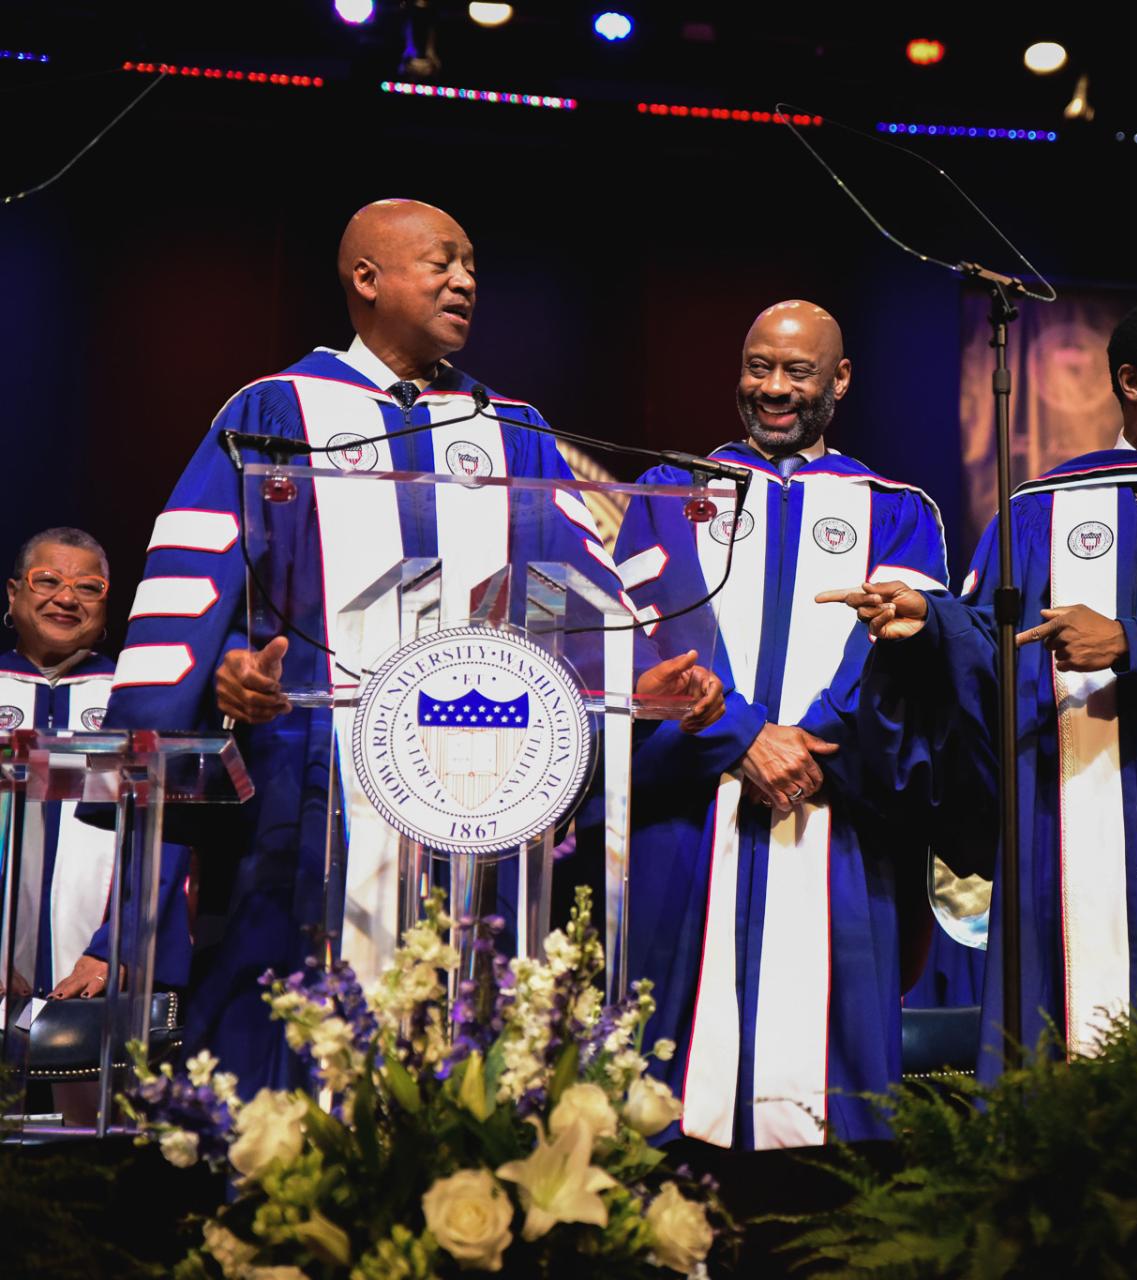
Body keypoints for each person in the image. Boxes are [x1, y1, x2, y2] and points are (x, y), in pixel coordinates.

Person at [103, 199, 717, 1096]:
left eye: (471, 265)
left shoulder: (510, 427)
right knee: (296, 1053)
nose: (465, 279)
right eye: (441, 262)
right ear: (366, 279)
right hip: (316, 795)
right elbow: (195, 592)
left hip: (486, 801)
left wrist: (629, 677)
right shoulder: (280, 408)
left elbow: (574, 595)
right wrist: (226, 675)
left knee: (469, 1058)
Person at [825, 296, 1137, 1078]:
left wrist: (1135, 643)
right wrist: (929, 625)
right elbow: (987, 666)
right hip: (1055, 839)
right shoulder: (1035, 512)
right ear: (1130, 381)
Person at [613, 300, 949, 1151]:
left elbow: (902, 658)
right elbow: (650, 631)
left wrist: (805, 744)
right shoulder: (673, 490)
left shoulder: (896, 509)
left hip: (834, 813)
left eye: (796, 372)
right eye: (758, 366)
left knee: (833, 1095)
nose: (772, 388)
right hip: (695, 810)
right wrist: (741, 737)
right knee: (667, 1074)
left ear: (839, 380)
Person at [2, 528, 190, 1004]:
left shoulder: (133, 700)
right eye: (46, 581)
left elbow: (165, 839)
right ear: (14, 592)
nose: (66, 598)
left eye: (89, 587)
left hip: (100, 980)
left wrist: (120, 948)